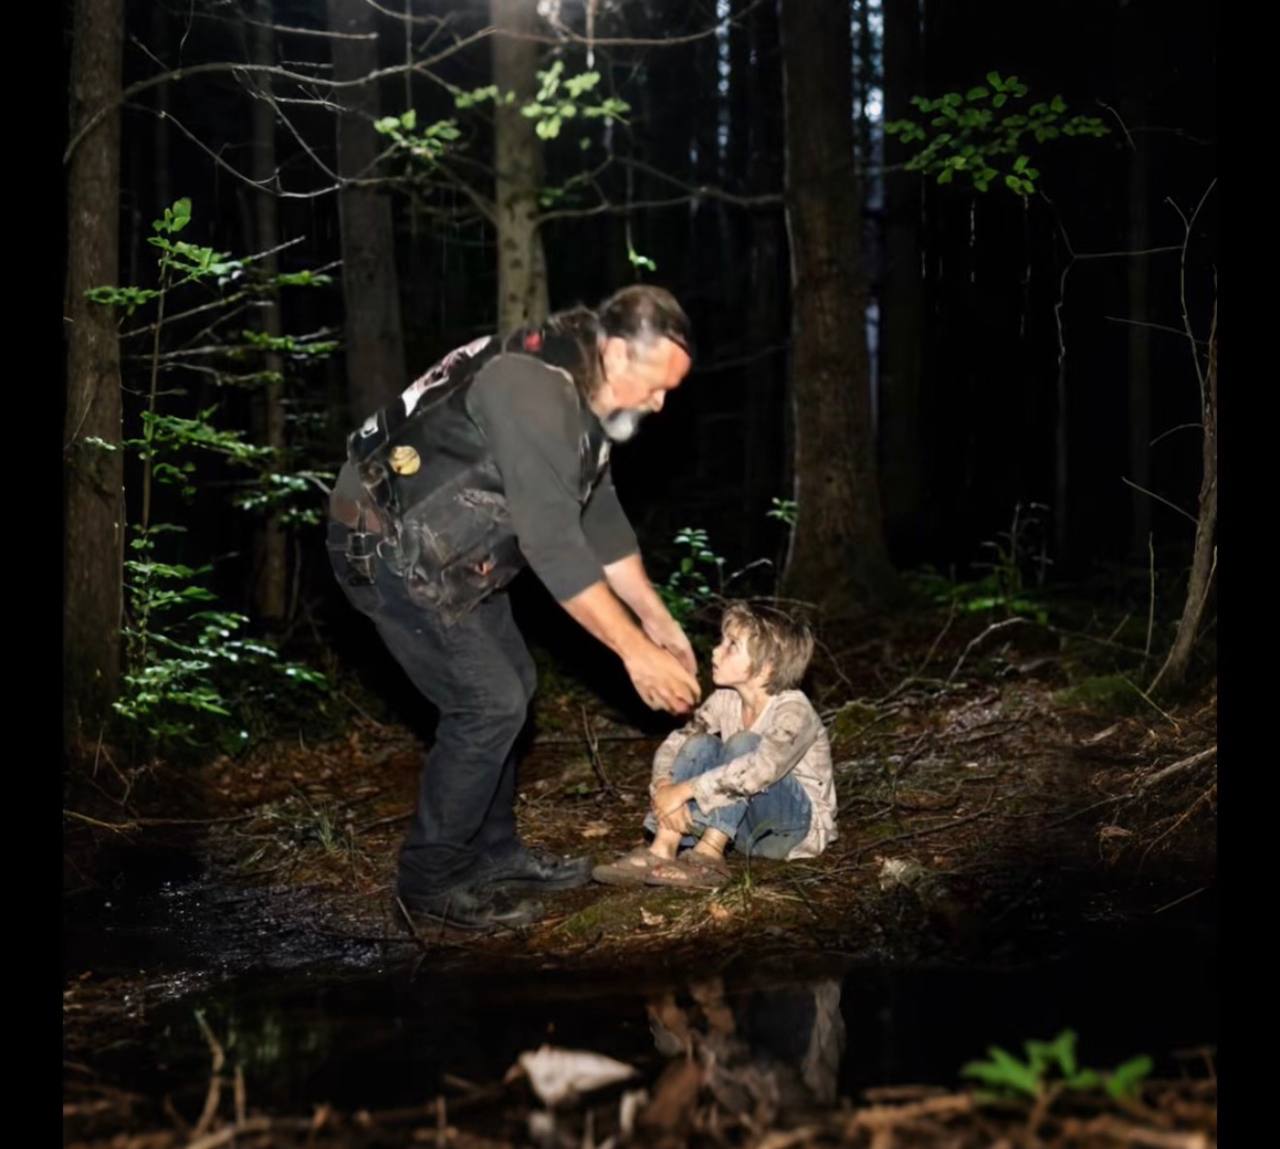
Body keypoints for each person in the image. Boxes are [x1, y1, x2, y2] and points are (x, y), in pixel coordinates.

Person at [327, 286, 701, 929]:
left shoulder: (587, 393)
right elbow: (552, 545)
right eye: (656, 385)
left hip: (451, 548)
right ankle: (429, 883)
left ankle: (493, 854)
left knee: (513, 685)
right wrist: (635, 654)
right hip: (383, 540)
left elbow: (598, 516)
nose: (660, 403)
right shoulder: (531, 388)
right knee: (487, 702)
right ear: (616, 353)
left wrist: (656, 619)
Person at [592, 601, 835, 889]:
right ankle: (662, 848)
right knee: (700, 744)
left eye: (732, 645)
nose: (716, 651)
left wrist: (685, 791)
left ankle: (708, 856)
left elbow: (760, 770)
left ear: (767, 667)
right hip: (743, 832)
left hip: (791, 831)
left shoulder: (794, 711)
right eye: (722, 641)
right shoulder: (724, 699)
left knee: (744, 744)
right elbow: (677, 743)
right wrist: (663, 786)